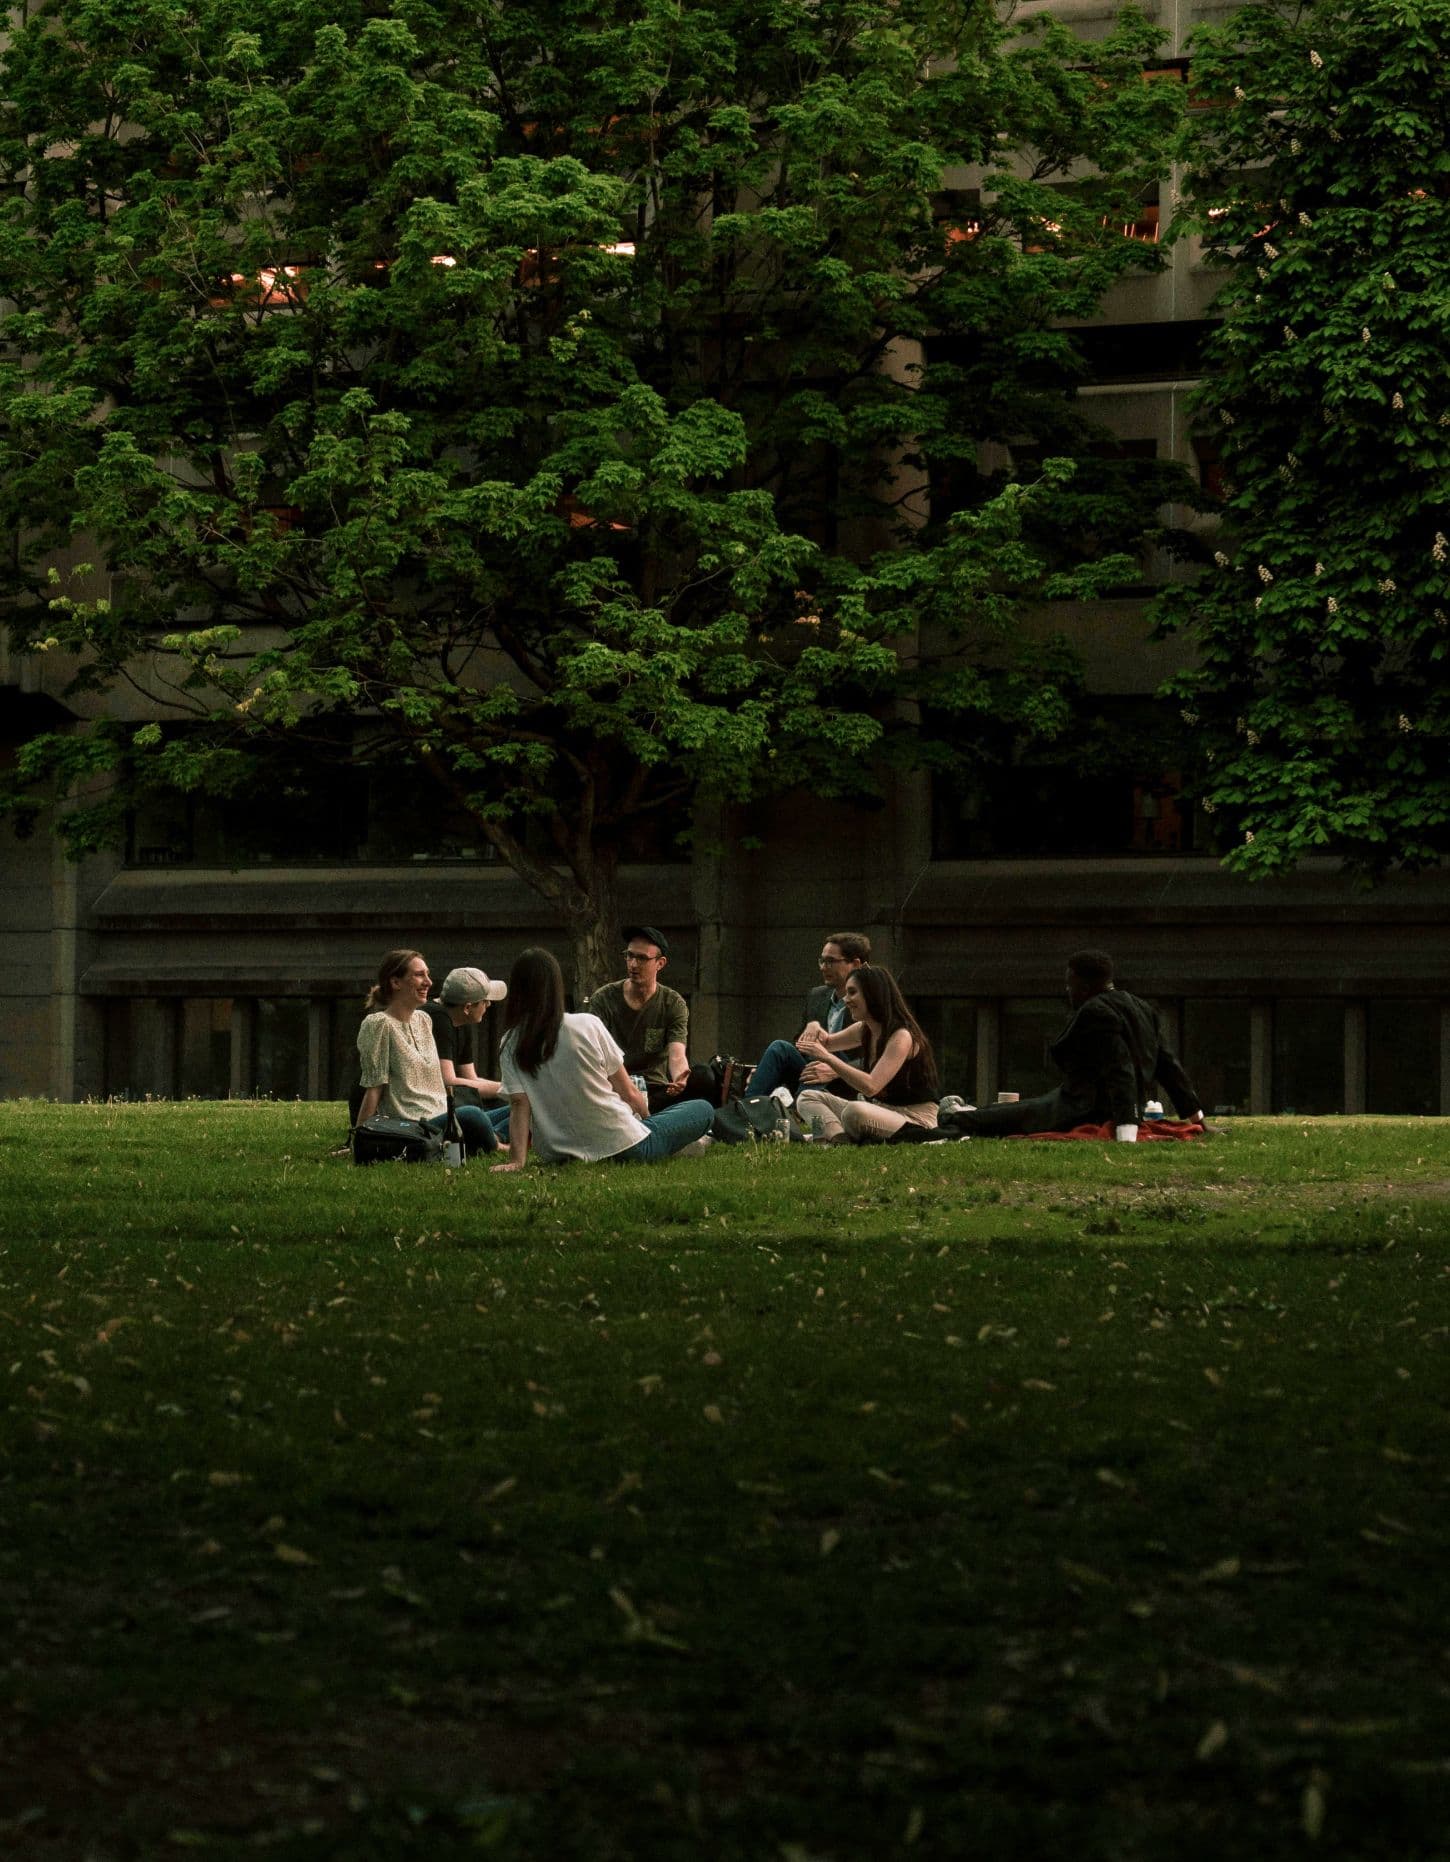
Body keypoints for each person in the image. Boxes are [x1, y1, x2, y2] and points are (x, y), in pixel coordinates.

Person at [946, 949, 1203, 1141]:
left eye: (1070, 984)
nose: (1068, 990)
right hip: (1092, 1102)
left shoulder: (1095, 1012)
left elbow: (1120, 1068)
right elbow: (1169, 1066)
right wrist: (1196, 1117)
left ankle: (955, 1117)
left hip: (1084, 1107)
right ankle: (969, 1112)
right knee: (1020, 1109)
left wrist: (1127, 1129)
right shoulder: (1141, 1007)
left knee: (1019, 1116)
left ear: (1084, 985)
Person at [492, 947, 714, 1169]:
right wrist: (648, 1125)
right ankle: (680, 1146)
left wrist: (516, 1161)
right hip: (624, 1145)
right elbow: (628, 1093)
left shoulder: (510, 1042)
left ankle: (676, 1145)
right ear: (556, 986)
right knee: (702, 1109)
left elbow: (519, 1105)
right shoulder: (586, 1025)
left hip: (560, 1154)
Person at [354, 949, 499, 1154]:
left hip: (445, 1115)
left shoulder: (424, 1020)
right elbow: (374, 1087)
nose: (429, 982)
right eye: (419, 975)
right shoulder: (379, 1024)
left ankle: (485, 1138)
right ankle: (498, 1144)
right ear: (396, 983)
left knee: (519, 1108)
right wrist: (361, 1138)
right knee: (473, 1115)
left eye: (427, 974)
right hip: (415, 1124)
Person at [796, 964, 940, 1142]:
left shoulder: (901, 1036)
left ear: (873, 994)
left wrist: (827, 1058)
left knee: (854, 1112)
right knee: (807, 1097)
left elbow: (871, 1087)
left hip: (914, 1119)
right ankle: (838, 1138)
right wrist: (813, 1025)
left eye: (852, 992)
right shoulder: (864, 1029)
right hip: (879, 1110)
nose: (846, 999)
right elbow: (825, 1043)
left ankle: (835, 1134)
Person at [583, 925, 719, 1111]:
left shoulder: (672, 1003)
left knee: (704, 1076)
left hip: (656, 1092)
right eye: (629, 956)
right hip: (614, 1090)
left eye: (642, 958)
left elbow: (677, 1053)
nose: (633, 964)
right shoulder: (604, 999)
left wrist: (680, 1078)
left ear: (660, 963)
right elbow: (591, 1053)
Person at [744, 932, 870, 1102]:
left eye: (831, 961)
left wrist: (836, 1069)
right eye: (822, 960)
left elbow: (882, 1059)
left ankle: (801, 1117)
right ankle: (747, 1113)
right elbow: (801, 1046)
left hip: (851, 1081)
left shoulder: (873, 1001)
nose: (823, 967)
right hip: (812, 1072)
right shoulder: (816, 995)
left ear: (855, 964)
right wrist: (767, 1071)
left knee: (828, 1055)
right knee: (779, 1048)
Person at [425, 967, 511, 1139]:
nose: (489, 1005)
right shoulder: (437, 1018)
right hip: (438, 1110)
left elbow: (471, 1079)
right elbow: (448, 1082)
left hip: (460, 1103)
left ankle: (490, 1134)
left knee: (524, 1103)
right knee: (475, 1114)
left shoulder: (462, 1021)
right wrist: (507, 1089)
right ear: (467, 1007)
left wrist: (513, 1090)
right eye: (485, 1001)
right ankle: (493, 1136)